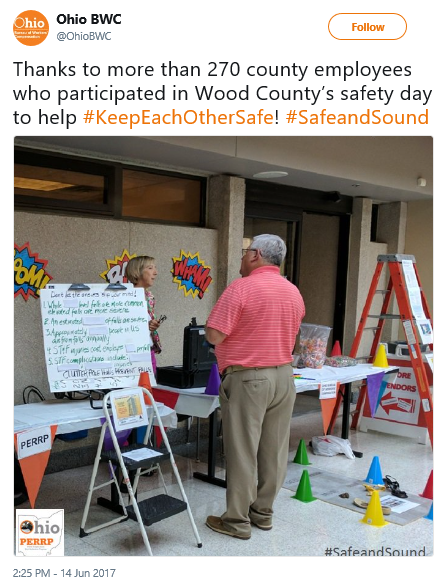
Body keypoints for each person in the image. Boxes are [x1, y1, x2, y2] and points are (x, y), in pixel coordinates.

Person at [205, 234, 305, 540]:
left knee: (242, 451)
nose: (241, 257)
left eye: (244, 252)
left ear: (255, 255)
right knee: (274, 450)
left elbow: (214, 335)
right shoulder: (292, 291)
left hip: (248, 378)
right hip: (284, 376)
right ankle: (263, 514)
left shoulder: (241, 287)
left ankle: (236, 521)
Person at [125, 255, 162, 375]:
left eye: (155, 268)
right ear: (137, 271)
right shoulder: (125, 296)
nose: (155, 272)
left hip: (148, 350)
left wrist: (153, 325)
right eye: (150, 268)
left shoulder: (149, 296)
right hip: (131, 354)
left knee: (150, 383)